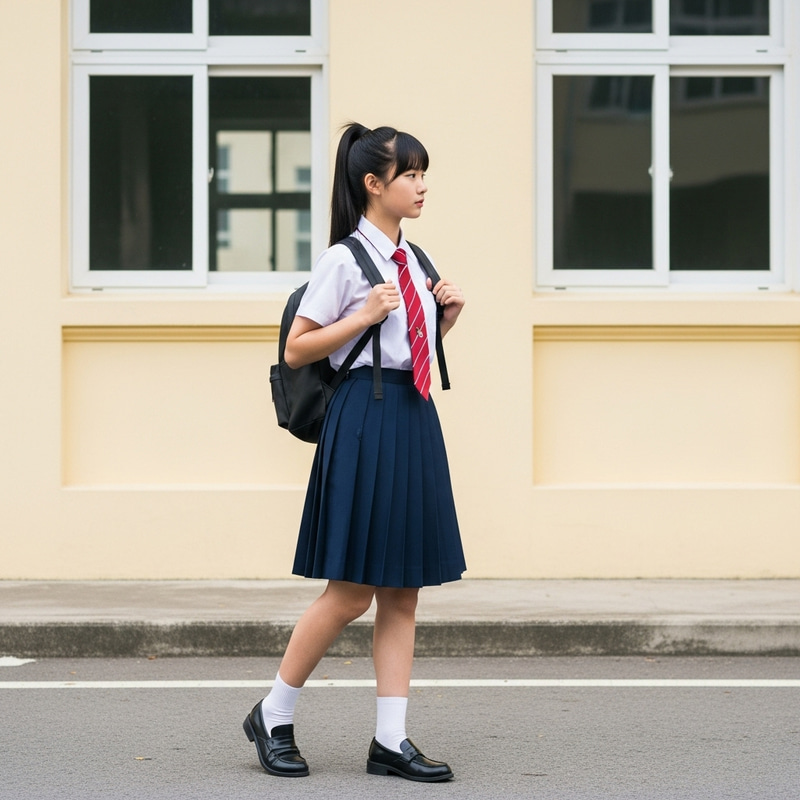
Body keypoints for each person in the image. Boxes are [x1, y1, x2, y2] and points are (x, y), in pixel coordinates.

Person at [242, 122, 467, 783]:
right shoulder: (345, 261)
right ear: (374, 184)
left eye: (425, 174)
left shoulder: (416, 260)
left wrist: (444, 318)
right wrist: (362, 315)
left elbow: (407, 348)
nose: (422, 186)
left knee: (404, 592)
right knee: (350, 592)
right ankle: (273, 714)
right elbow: (299, 348)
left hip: (413, 418)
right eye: (411, 175)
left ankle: (390, 742)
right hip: (364, 422)